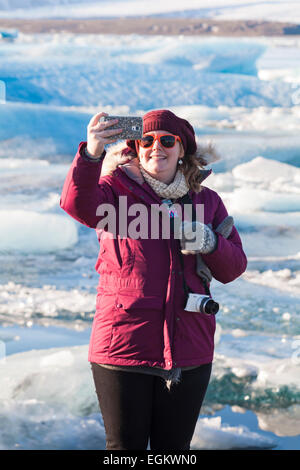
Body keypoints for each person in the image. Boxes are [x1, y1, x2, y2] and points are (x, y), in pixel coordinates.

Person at [60, 109, 247, 450]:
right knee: (124, 451)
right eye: (146, 140)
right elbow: (76, 204)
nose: (155, 147)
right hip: (122, 345)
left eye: (166, 140)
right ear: (137, 145)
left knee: (173, 452)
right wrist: (92, 152)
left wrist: (211, 242)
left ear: (182, 148)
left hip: (190, 346)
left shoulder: (206, 201)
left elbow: (233, 268)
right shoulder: (114, 192)